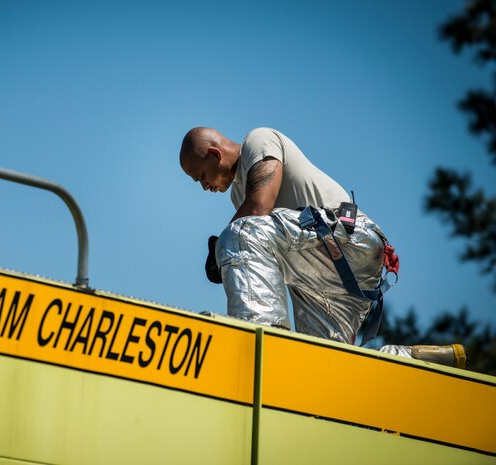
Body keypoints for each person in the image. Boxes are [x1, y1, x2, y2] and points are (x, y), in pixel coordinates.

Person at [179, 126, 467, 369]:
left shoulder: (259, 141)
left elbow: (259, 206)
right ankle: (409, 361)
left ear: (215, 154)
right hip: (336, 278)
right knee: (322, 366)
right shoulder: (239, 197)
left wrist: (223, 249)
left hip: (348, 241)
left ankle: (262, 342)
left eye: (201, 176)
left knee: (240, 232)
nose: (204, 186)